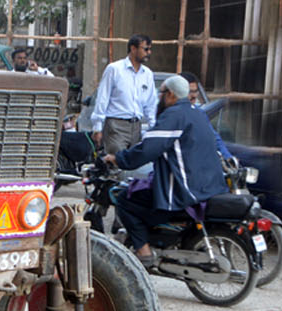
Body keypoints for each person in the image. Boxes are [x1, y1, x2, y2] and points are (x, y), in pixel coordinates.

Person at [109, 73, 224, 270]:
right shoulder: (197, 113)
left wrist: (119, 159)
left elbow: (148, 148)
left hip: (184, 190)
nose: (159, 98)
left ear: (170, 94)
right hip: (207, 186)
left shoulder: (174, 115)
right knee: (143, 190)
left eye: (161, 93)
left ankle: (143, 251)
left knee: (124, 200)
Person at [90, 35, 158, 157]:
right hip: (116, 126)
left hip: (136, 127)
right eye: (145, 49)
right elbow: (102, 98)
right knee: (116, 163)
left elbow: (150, 103)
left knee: (133, 167)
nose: (149, 53)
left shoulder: (147, 74)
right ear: (133, 48)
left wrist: (153, 126)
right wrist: (97, 126)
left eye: (149, 49)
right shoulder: (115, 69)